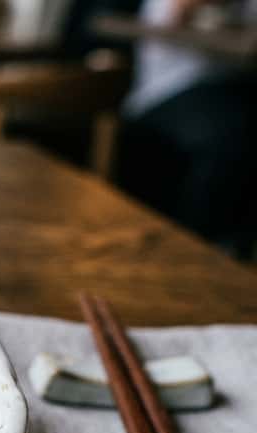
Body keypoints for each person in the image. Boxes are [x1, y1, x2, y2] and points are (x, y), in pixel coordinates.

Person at [113, 0, 257, 258]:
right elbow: (178, 14)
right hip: (173, 87)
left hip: (238, 86)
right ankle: (198, 253)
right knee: (231, 138)